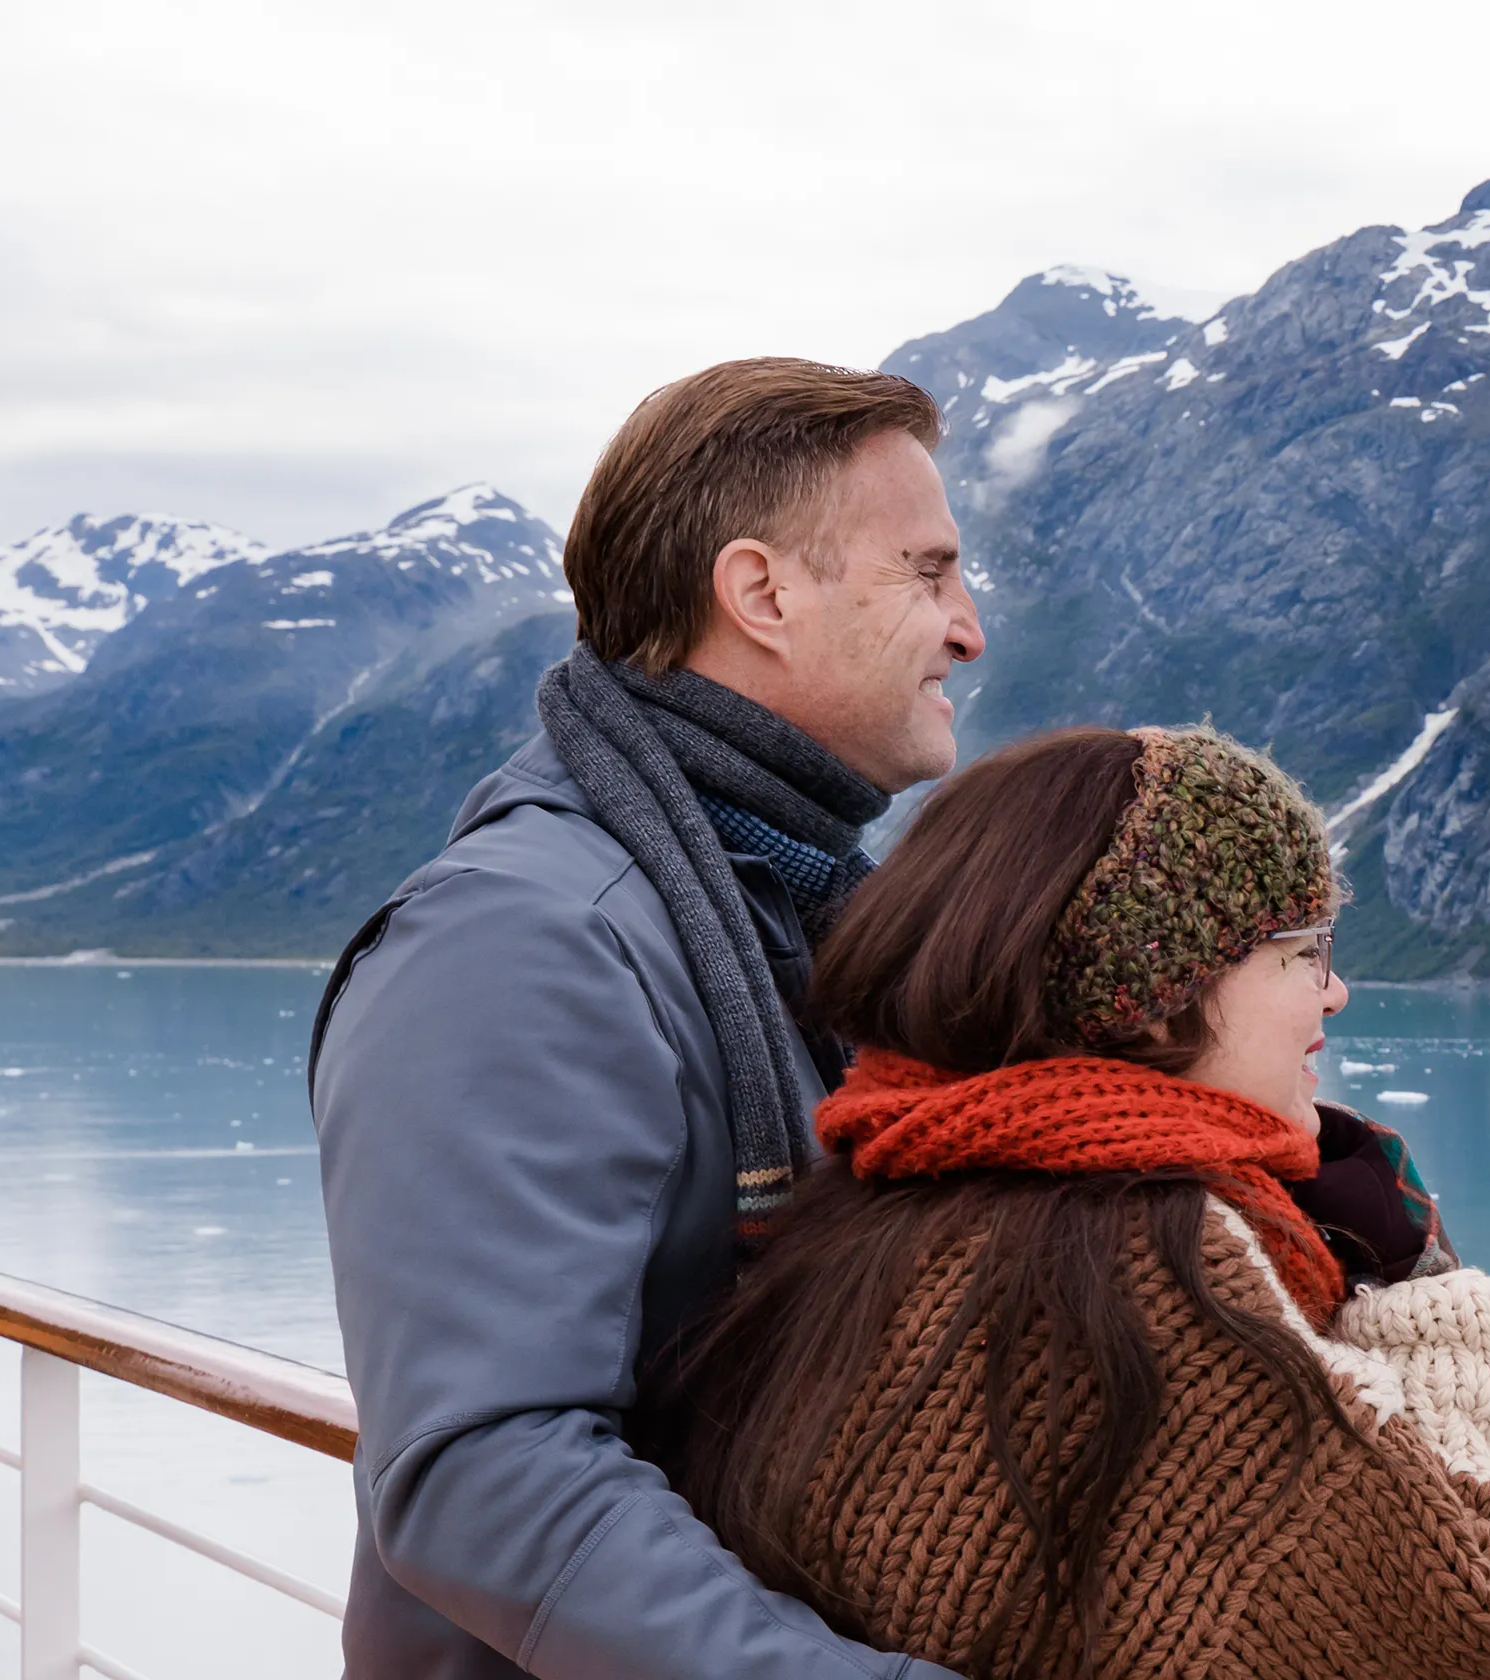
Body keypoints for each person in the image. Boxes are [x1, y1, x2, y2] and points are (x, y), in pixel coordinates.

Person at [312, 357, 984, 1678]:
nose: (968, 627)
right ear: (763, 594)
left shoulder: (789, 916)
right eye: (928, 571)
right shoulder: (518, 941)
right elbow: (485, 1474)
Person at [644, 724, 1490, 1680]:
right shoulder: (1156, 1269)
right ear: (1165, 988)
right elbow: (1481, 1620)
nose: (1333, 993)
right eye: (1303, 951)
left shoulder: (876, 1205)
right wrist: (1418, 1287)